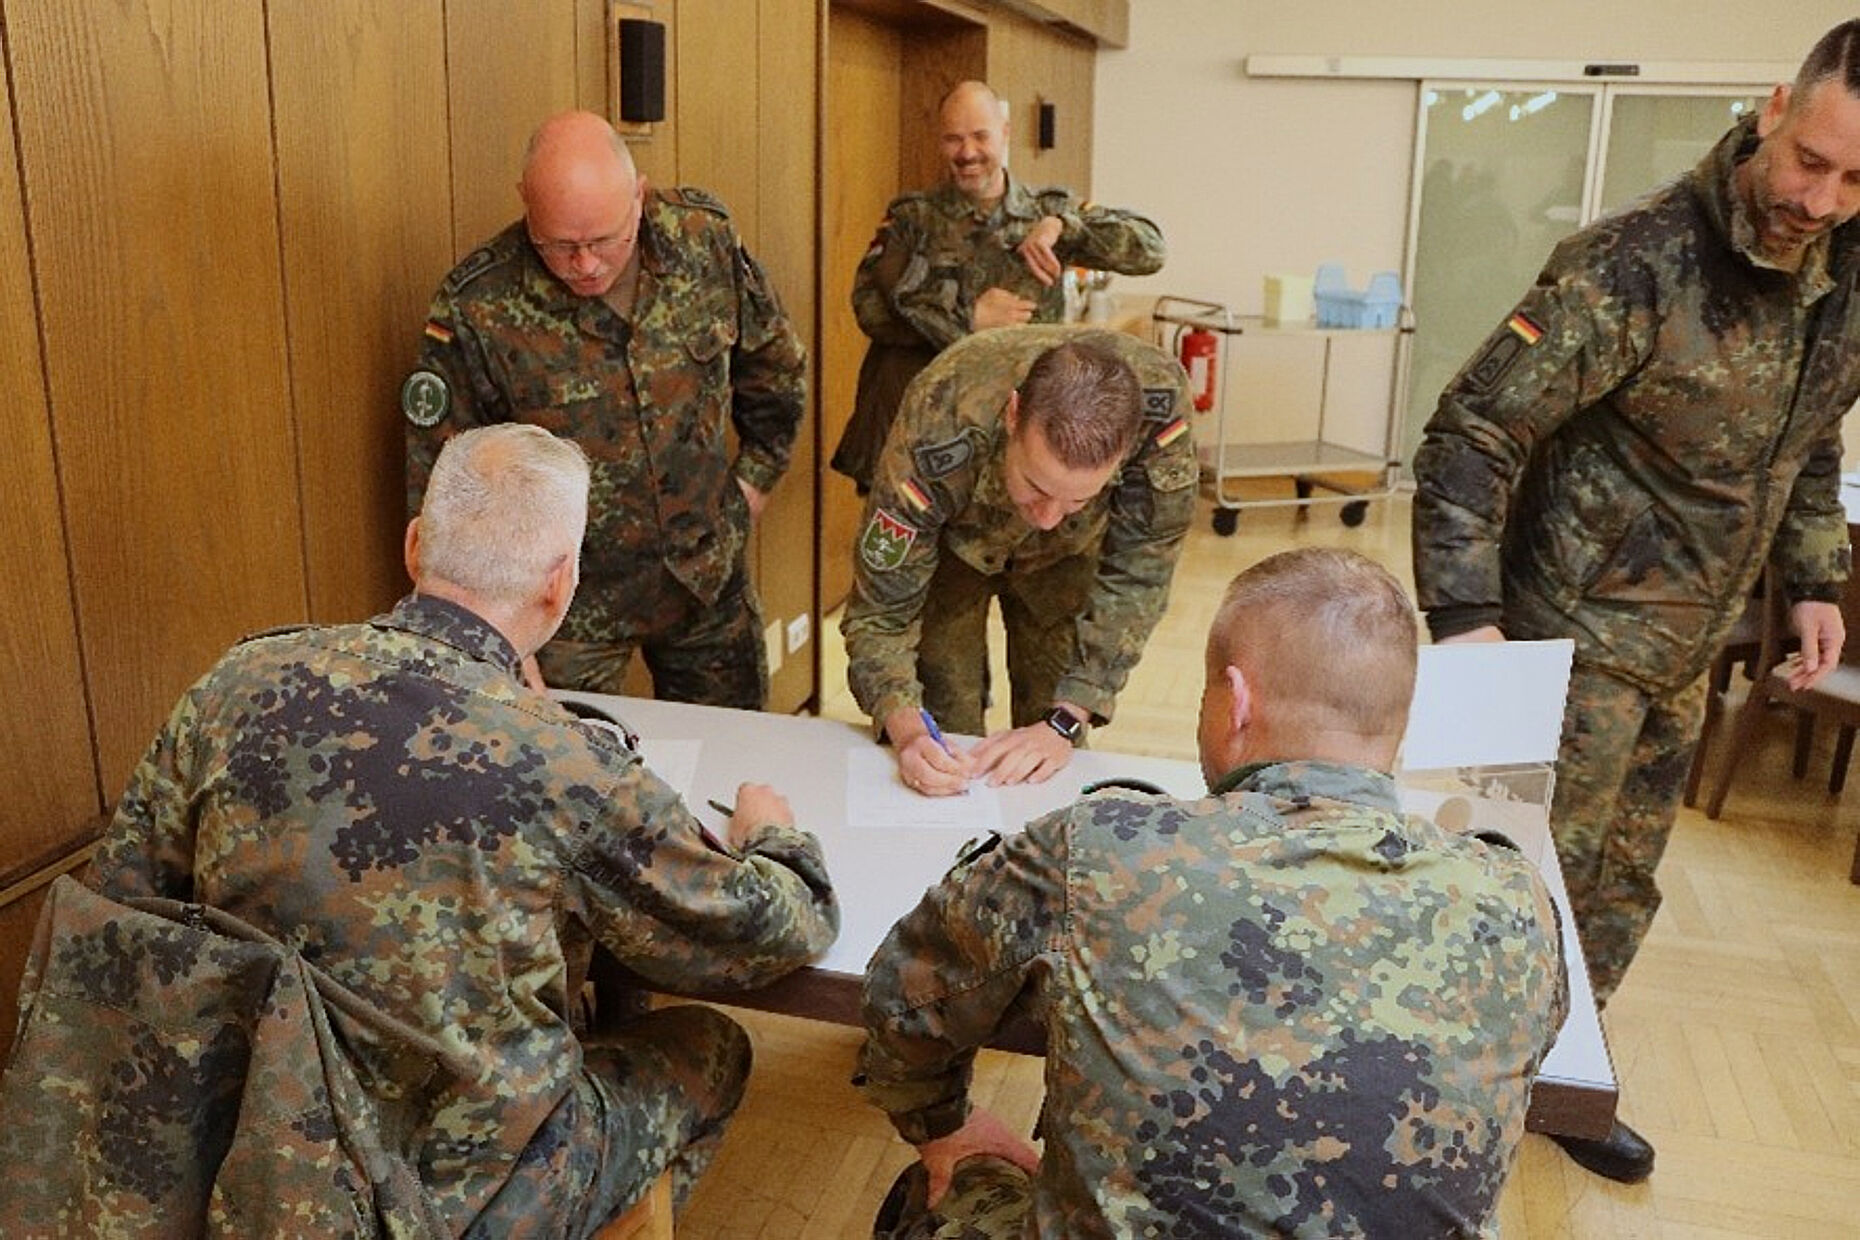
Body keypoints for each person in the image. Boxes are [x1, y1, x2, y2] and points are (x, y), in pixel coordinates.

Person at [0, 424, 839, 1236]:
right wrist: (775, 837)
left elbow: (121, 903)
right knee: (711, 1047)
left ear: (413, 548)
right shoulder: (568, 765)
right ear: (561, 582)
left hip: (247, 1152)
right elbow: (774, 931)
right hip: (444, 1196)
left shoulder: (236, 681)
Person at [1411, 20, 1860, 1185]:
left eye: (1858, 179)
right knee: (1518, 880)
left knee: (1620, 882)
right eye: (1813, 160)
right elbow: (1472, 431)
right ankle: (1440, 1110)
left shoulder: (1844, 272)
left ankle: (1561, 1079)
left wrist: (1812, 579)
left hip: (1690, 644)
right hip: (1571, 640)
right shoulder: (1633, 264)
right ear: (1773, 108)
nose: (1822, 198)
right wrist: (1465, 622)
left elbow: (1808, 440)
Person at [856, 547, 1569, 1237]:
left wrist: (943, 1122)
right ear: (1398, 723)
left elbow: (905, 996)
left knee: (959, 1189)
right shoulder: (1516, 900)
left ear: (1235, 701)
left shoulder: (1101, 851)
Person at [404, 109, 807, 709]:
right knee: (575, 782)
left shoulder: (705, 241)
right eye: (561, 245)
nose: (586, 265)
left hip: (707, 577)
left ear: (639, 197)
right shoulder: (476, 307)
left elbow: (774, 368)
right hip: (566, 606)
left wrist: (755, 481)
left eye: (603, 241)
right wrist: (499, 639)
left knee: (737, 759)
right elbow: (443, 489)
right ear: (525, 204)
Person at [841, 326, 1196, 792]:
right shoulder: (942, 412)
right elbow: (881, 614)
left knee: (1048, 759)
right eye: (1037, 486)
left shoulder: (1160, 413)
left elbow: (1140, 577)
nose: (1048, 517)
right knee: (947, 727)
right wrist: (908, 733)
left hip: (1069, 558)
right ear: (1012, 415)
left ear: (1126, 451)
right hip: (956, 550)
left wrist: (1066, 722)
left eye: (1075, 499)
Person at [830, 79, 1166, 491]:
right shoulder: (912, 220)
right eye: (953, 139)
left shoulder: (1047, 210)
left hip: (1017, 445)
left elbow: (1150, 248)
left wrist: (1066, 227)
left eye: (979, 136)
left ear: (1005, 133)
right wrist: (965, 315)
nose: (967, 152)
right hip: (919, 434)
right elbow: (869, 308)